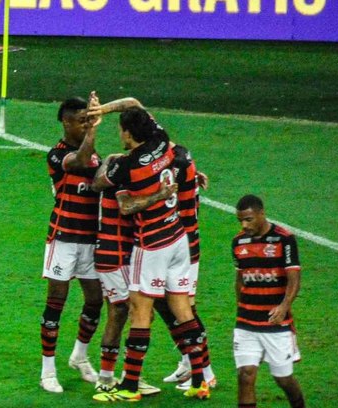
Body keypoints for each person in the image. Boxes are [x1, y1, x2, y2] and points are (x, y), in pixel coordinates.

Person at [90, 102, 210, 402]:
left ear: (128, 133)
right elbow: (133, 103)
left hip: (152, 244)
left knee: (140, 312)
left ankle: (130, 386)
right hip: (179, 237)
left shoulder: (127, 165)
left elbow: (107, 190)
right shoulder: (161, 139)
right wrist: (103, 110)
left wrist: (111, 161)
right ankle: (200, 379)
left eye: (121, 129)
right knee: (182, 311)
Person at [39, 95, 104, 393]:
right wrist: (93, 132)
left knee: (95, 300)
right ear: (66, 123)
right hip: (63, 238)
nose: (86, 126)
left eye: (88, 120)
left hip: (90, 240)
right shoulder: (57, 154)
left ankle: (79, 355)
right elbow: (78, 162)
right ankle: (47, 370)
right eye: (81, 121)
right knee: (56, 302)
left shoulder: (95, 155)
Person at [232, 194, 306, 408]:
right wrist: (241, 307)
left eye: (249, 219)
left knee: (283, 379)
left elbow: (294, 279)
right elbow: (240, 279)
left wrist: (284, 307)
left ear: (262, 214)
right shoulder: (238, 242)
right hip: (246, 322)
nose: (244, 225)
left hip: (276, 324)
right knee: (245, 375)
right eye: (241, 221)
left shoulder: (284, 239)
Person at [155, 144, 217, 391]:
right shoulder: (179, 157)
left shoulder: (176, 164)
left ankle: (206, 372)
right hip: (170, 245)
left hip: (185, 247)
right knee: (161, 301)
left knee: (185, 309)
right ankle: (187, 361)